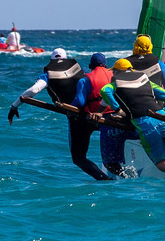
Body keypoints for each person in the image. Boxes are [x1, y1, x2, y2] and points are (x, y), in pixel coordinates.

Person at [7, 48, 111, 181]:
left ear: (51, 59)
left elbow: (33, 90)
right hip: (95, 113)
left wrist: (14, 106)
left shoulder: (48, 74)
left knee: (79, 159)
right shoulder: (78, 69)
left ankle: (104, 180)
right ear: (66, 58)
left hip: (76, 119)